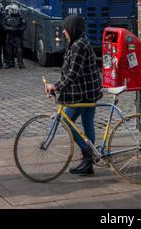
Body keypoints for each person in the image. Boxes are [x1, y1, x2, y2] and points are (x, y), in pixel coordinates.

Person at [45, 15, 103, 176]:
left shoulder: (79, 45)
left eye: (65, 28)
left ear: (72, 29)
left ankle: (87, 154)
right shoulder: (78, 42)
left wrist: (56, 87)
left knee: (66, 120)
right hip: (88, 91)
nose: (63, 31)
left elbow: (73, 74)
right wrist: (57, 85)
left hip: (84, 93)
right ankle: (88, 163)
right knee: (87, 123)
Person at [3, 4, 27, 69]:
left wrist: (18, 29)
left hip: (17, 36)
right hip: (9, 36)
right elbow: (4, 25)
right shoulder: (7, 17)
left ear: (16, 10)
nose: (11, 11)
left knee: (19, 51)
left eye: (12, 10)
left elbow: (24, 26)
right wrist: (9, 28)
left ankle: (20, 63)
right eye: (11, 10)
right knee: (9, 51)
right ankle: (10, 63)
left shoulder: (20, 18)